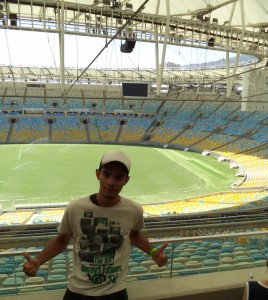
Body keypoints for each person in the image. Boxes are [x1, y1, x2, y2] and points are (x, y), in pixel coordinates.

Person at [23, 149, 168, 300]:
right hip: (77, 291)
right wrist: (38, 260)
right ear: (98, 174)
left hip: (115, 291)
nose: (111, 182)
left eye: (118, 177)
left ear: (126, 180)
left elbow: (134, 235)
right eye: (107, 174)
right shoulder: (75, 208)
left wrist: (153, 252)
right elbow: (61, 241)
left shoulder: (134, 210)